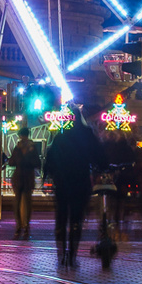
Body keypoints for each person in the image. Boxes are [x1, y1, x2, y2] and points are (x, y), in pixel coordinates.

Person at [44, 111, 103, 266]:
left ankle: (61, 253)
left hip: (62, 181)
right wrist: (102, 167)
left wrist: (48, 176)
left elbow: (50, 159)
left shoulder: (61, 137)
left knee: (62, 217)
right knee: (77, 218)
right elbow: (100, 156)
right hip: (80, 181)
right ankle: (73, 255)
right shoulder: (87, 136)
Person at [9, 133, 41, 239]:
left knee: (23, 203)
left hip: (23, 178)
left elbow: (37, 162)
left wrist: (22, 161)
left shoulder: (26, 148)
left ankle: (23, 226)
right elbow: (12, 162)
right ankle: (21, 225)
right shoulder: (20, 148)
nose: (22, 138)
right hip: (22, 178)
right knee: (21, 203)